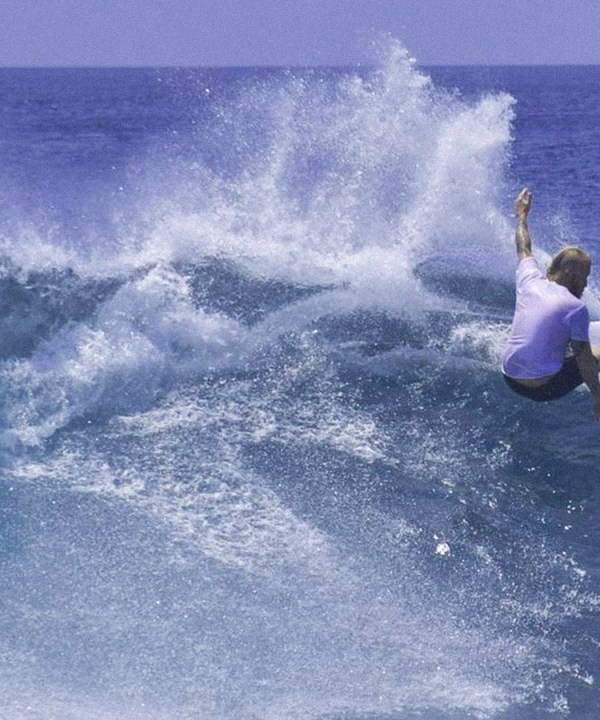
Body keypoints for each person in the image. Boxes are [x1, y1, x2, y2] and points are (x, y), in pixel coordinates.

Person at [501, 187, 600, 420]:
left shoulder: (530, 280)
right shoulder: (575, 308)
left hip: (508, 376)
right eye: (584, 278)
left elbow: (523, 246)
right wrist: (597, 395)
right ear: (570, 274)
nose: (585, 285)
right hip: (541, 389)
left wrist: (522, 215)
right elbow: (585, 360)